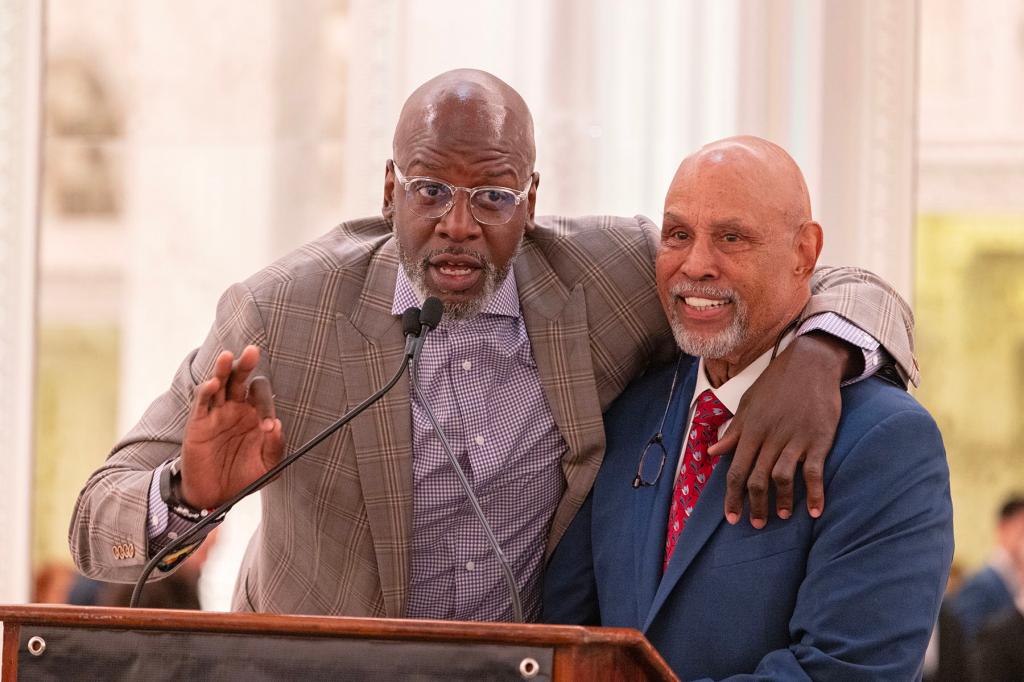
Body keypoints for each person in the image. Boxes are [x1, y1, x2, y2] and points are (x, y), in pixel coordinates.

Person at [71, 71, 916, 622]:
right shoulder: (286, 316)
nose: (460, 224)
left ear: (533, 200)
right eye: (431, 190)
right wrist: (187, 496)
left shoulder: (608, 279)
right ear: (390, 186)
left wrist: (819, 359)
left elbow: (836, 280)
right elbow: (93, 523)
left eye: (494, 196)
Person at [542, 136, 953, 679]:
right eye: (678, 235)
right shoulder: (630, 410)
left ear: (804, 254)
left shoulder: (886, 442)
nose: (696, 264)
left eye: (731, 237)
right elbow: (568, 639)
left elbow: (846, 671)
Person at [947, 494, 1024, 641]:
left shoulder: (1015, 582)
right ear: (1003, 528)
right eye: (1021, 530)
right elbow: (964, 641)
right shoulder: (980, 585)